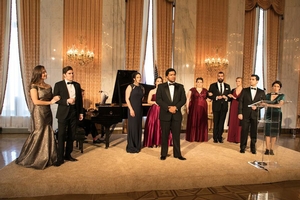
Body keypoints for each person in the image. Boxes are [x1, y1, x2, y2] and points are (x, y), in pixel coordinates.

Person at [15, 65, 60, 169]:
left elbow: (51, 98)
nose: (45, 74)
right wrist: (50, 102)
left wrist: (57, 97)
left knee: (48, 132)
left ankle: (47, 156)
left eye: (45, 72)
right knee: (39, 132)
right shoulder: (33, 86)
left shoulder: (48, 86)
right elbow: (36, 101)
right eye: (43, 72)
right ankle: (31, 157)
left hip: (48, 112)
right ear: (38, 74)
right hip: (39, 112)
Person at [53, 66, 84, 166]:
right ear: (64, 75)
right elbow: (55, 99)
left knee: (72, 135)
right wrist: (66, 101)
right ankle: (60, 158)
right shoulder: (58, 85)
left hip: (74, 113)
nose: (72, 75)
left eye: (72, 73)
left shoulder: (77, 85)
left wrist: (81, 112)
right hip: (63, 113)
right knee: (61, 135)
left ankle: (68, 155)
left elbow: (79, 100)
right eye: (69, 73)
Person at [156, 68, 187, 160]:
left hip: (176, 115)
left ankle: (177, 154)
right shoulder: (161, 87)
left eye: (174, 74)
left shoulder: (180, 87)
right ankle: (163, 154)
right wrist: (169, 108)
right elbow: (158, 100)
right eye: (171, 75)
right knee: (164, 135)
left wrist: (175, 107)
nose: (173, 76)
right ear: (167, 76)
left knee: (176, 135)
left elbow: (183, 100)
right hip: (165, 114)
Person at [238, 74, 266, 154]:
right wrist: (240, 113)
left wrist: (257, 107)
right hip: (245, 114)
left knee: (254, 131)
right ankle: (242, 147)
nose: (251, 80)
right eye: (250, 79)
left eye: (253, 79)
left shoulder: (261, 92)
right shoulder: (245, 90)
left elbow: (263, 103)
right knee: (244, 131)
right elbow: (240, 102)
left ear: (257, 81)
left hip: (255, 114)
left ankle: (253, 148)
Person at [143, 77, 172, 147]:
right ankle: (152, 142)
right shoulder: (152, 91)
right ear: (155, 83)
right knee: (153, 124)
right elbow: (148, 101)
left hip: (162, 110)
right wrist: (155, 102)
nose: (159, 82)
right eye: (157, 81)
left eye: (160, 81)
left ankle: (161, 142)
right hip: (154, 110)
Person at [208, 71, 231, 143]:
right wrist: (217, 97)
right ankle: (215, 137)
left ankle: (220, 137)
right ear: (217, 77)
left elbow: (230, 97)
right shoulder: (212, 85)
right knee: (216, 122)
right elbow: (209, 95)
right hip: (216, 107)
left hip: (224, 107)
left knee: (222, 122)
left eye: (222, 76)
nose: (220, 77)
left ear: (224, 77)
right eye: (219, 76)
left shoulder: (227, 86)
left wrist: (226, 97)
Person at [263, 80, 285, 155]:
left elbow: (279, 105)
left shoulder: (282, 95)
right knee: (268, 131)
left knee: (274, 132)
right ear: (272, 87)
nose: (276, 88)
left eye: (278, 86)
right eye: (275, 86)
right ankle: (267, 149)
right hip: (269, 113)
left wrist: (268, 105)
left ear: (280, 88)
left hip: (276, 114)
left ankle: (272, 149)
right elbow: (263, 103)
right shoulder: (268, 95)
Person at [125, 72, 145, 153]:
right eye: (137, 77)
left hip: (139, 109)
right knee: (132, 127)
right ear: (134, 78)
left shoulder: (142, 87)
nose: (139, 78)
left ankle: (137, 145)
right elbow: (127, 99)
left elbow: (142, 98)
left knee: (138, 127)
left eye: (140, 77)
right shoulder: (130, 87)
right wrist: (131, 109)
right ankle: (131, 146)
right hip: (132, 109)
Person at [186, 77, 208, 142]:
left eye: (200, 82)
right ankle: (193, 137)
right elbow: (188, 99)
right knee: (193, 121)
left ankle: (201, 137)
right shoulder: (192, 90)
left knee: (202, 121)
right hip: (194, 108)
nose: (199, 83)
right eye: (198, 82)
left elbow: (208, 98)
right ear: (196, 83)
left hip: (203, 108)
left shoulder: (205, 90)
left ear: (202, 83)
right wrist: (187, 108)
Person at [227, 77, 243, 143]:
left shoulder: (244, 90)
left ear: (241, 82)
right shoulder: (233, 90)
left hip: (240, 107)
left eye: (239, 81)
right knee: (233, 121)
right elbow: (229, 100)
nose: (237, 82)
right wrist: (228, 96)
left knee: (238, 121)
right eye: (237, 81)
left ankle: (238, 138)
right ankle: (231, 138)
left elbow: (243, 100)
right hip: (233, 107)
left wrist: (234, 97)